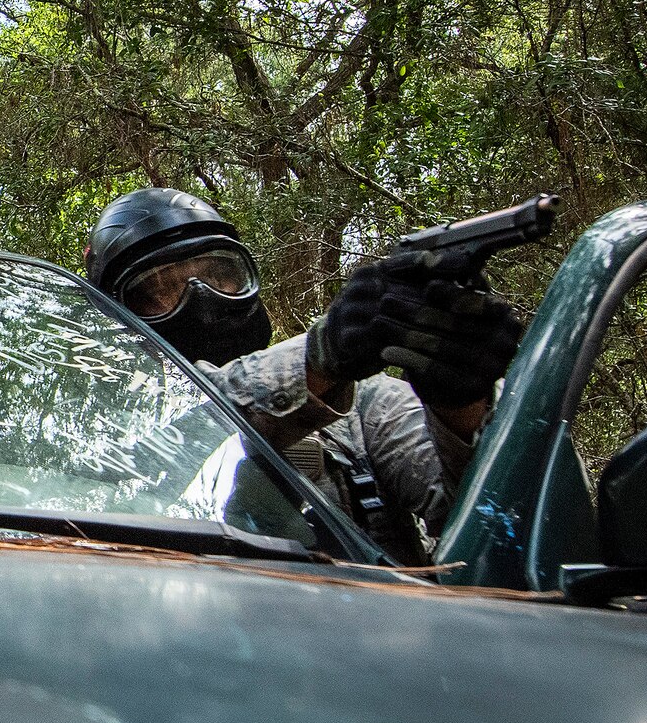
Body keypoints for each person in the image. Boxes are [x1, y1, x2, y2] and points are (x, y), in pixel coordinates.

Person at [86, 188, 523, 563]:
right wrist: (319, 355)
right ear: (117, 312)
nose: (202, 300)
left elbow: (496, 528)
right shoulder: (94, 420)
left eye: (220, 275)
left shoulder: (364, 405)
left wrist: (461, 407)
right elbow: (153, 454)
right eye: (160, 290)